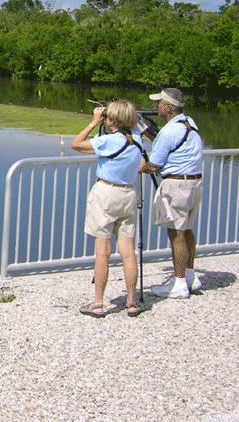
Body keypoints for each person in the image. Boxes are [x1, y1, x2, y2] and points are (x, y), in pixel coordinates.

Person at [72, 100, 144, 318]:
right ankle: (131, 302)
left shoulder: (108, 141)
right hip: (128, 194)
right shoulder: (136, 138)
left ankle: (98, 303)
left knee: (102, 253)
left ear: (111, 120)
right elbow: (134, 128)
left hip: (106, 194)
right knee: (128, 252)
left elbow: (76, 144)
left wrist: (94, 122)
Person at [140, 87, 203, 299]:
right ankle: (190, 276)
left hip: (176, 186)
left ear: (168, 106)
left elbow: (154, 165)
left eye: (159, 103)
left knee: (176, 234)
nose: (156, 106)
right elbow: (169, 145)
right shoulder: (189, 123)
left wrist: (137, 167)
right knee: (187, 231)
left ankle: (179, 284)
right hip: (193, 183)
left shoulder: (168, 132)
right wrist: (147, 131)